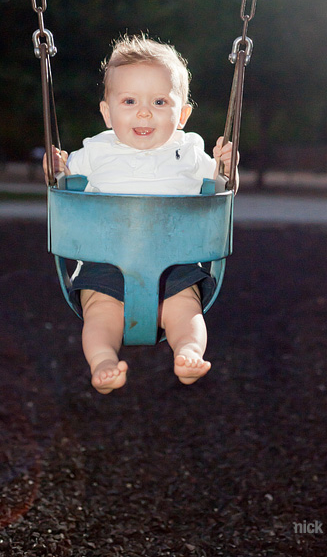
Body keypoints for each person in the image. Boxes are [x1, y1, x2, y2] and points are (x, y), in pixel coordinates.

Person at [44, 34, 237, 395]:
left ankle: (189, 353)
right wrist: (55, 169)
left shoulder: (191, 152)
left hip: (175, 264)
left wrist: (226, 168)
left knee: (186, 309)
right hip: (105, 264)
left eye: (159, 101)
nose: (144, 112)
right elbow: (64, 181)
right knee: (100, 314)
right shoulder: (95, 152)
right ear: (107, 112)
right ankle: (102, 362)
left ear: (181, 115)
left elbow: (219, 186)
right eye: (129, 101)